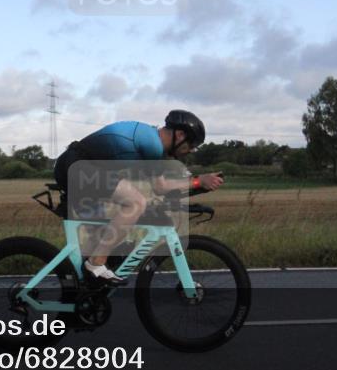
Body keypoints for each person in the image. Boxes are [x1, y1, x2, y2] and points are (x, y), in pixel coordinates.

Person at [53, 110, 224, 285]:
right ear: (180, 135)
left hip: (78, 166)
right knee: (136, 203)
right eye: (191, 144)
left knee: (103, 236)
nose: (191, 150)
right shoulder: (152, 144)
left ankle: (84, 289)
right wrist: (198, 181)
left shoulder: (150, 140)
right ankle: (95, 264)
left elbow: (161, 184)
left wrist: (197, 183)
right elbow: (161, 187)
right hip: (76, 166)